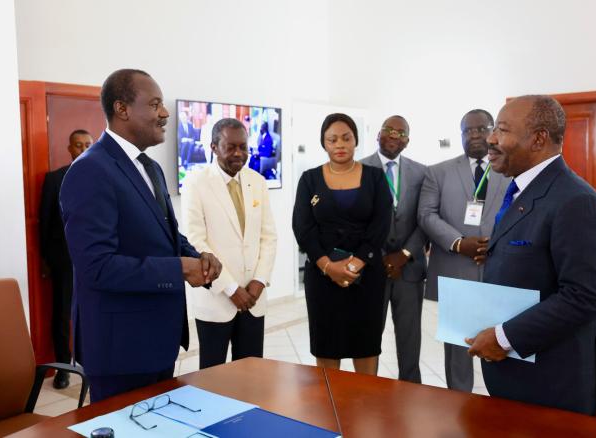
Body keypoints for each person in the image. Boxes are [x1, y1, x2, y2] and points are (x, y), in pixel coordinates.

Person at [59, 69, 222, 402]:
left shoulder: (151, 168)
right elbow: (97, 267)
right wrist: (179, 269)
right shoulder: (91, 171)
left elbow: (164, 234)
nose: (164, 113)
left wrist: (196, 258)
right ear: (123, 110)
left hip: (158, 340)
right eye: (155, 104)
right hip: (121, 349)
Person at [465, 95, 596, 415]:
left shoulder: (576, 201)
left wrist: (503, 337)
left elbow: (587, 295)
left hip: (557, 381)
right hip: (519, 377)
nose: (490, 139)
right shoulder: (522, 189)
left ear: (538, 139)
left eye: (502, 130)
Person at [417, 109, 510, 391]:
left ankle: (503, 406)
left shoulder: (510, 169)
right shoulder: (438, 172)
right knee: (458, 349)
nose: (474, 135)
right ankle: (459, 405)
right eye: (467, 130)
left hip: (500, 268)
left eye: (481, 128)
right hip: (455, 268)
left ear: (493, 131)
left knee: (503, 342)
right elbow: (426, 215)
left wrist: (494, 245)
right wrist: (459, 242)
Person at [292, 113, 392, 375]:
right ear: (324, 143)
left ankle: (366, 404)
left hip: (366, 275)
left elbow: (381, 224)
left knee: (366, 346)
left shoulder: (375, 177)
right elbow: (303, 229)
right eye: (332, 139)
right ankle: (330, 408)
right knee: (327, 346)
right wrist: (328, 267)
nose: (340, 144)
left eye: (346, 138)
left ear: (356, 141)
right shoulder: (309, 179)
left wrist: (355, 264)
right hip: (322, 276)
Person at [182, 118, 277, 368]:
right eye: (231, 147)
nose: (239, 153)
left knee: (251, 374)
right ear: (214, 147)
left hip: (254, 299)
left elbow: (268, 236)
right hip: (217, 298)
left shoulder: (257, 181)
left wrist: (258, 281)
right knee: (212, 378)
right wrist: (232, 289)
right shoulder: (196, 183)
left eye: (243, 147)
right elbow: (195, 241)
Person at [360, 115, 427, 383]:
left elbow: (426, 218)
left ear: (407, 141)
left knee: (410, 339)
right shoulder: (359, 168)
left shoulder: (422, 173)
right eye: (388, 129)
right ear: (378, 134)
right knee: (368, 337)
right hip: (372, 269)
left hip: (409, 270)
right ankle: (368, 389)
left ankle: (411, 392)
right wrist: (379, 256)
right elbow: (357, 221)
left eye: (400, 133)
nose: (393, 135)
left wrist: (405, 253)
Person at [39, 128, 93, 389]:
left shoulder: (103, 177)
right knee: (62, 315)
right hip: (64, 260)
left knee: (93, 311)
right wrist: (45, 260)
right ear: (69, 149)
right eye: (78, 145)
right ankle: (63, 367)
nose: (83, 149)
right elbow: (45, 223)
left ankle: (92, 361)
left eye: (87, 145)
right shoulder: (54, 179)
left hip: (96, 259)